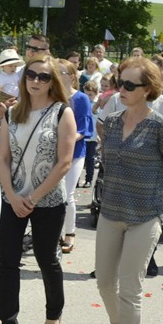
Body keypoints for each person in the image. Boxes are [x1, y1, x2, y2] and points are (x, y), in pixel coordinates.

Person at [95, 56, 163, 324]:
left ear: (148, 90)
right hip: (110, 212)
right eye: (120, 82)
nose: (122, 89)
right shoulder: (114, 121)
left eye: (129, 85)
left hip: (144, 217)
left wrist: (161, 204)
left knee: (129, 288)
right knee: (105, 282)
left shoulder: (159, 126)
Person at [0, 54, 75, 324]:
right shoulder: (13, 113)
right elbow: (2, 157)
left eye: (44, 76)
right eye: (31, 75)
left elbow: (65, 163)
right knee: (8, 261)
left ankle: (54, 313)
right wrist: (12, 195)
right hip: (12, 199)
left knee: (46, 258)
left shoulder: (62, 112)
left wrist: (34, 198)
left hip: (48, 201)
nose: (36, 81)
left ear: (53, 82)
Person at [57, 58, 92, 254]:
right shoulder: (52, 95)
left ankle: (69, 232)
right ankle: (54, 232)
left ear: (71, 77)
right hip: (52, 151)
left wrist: (67, 140)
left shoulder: (80, 98)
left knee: (67, 194)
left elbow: (84, 129)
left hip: (75, 152)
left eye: (60, 72)